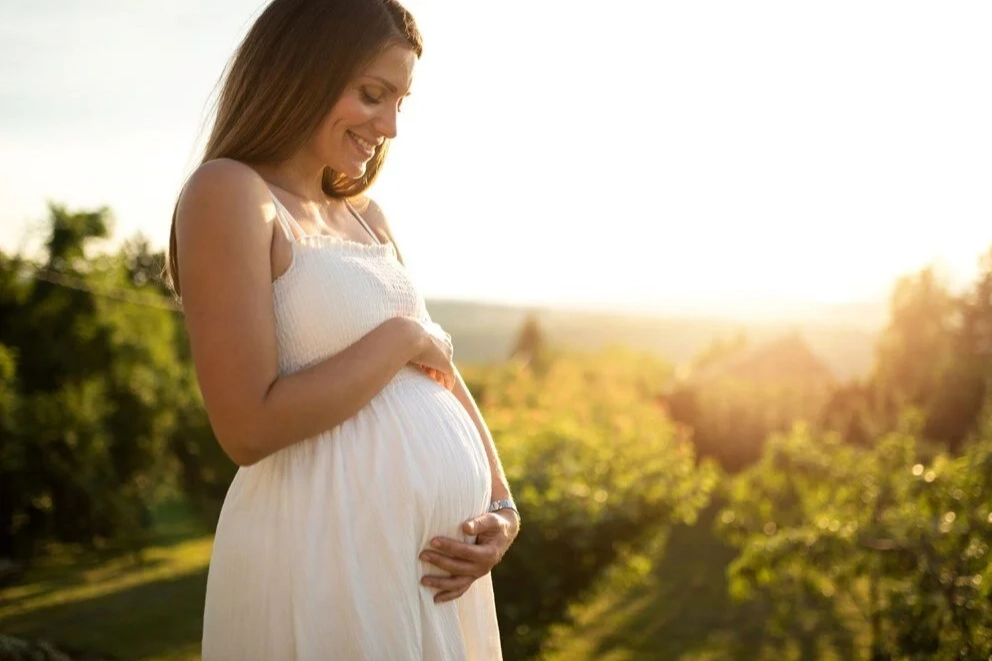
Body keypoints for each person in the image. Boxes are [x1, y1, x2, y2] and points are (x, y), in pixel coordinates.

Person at [166, 0, 519, 658]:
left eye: (399, 102)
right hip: (325, 558)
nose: (388, 125)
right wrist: (399, 340)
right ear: (301, 71)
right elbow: (246, 425)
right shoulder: (231, 192)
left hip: (429, 575)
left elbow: (439, 365)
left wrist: (502, 505)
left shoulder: (367, 216)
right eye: (372, 94)